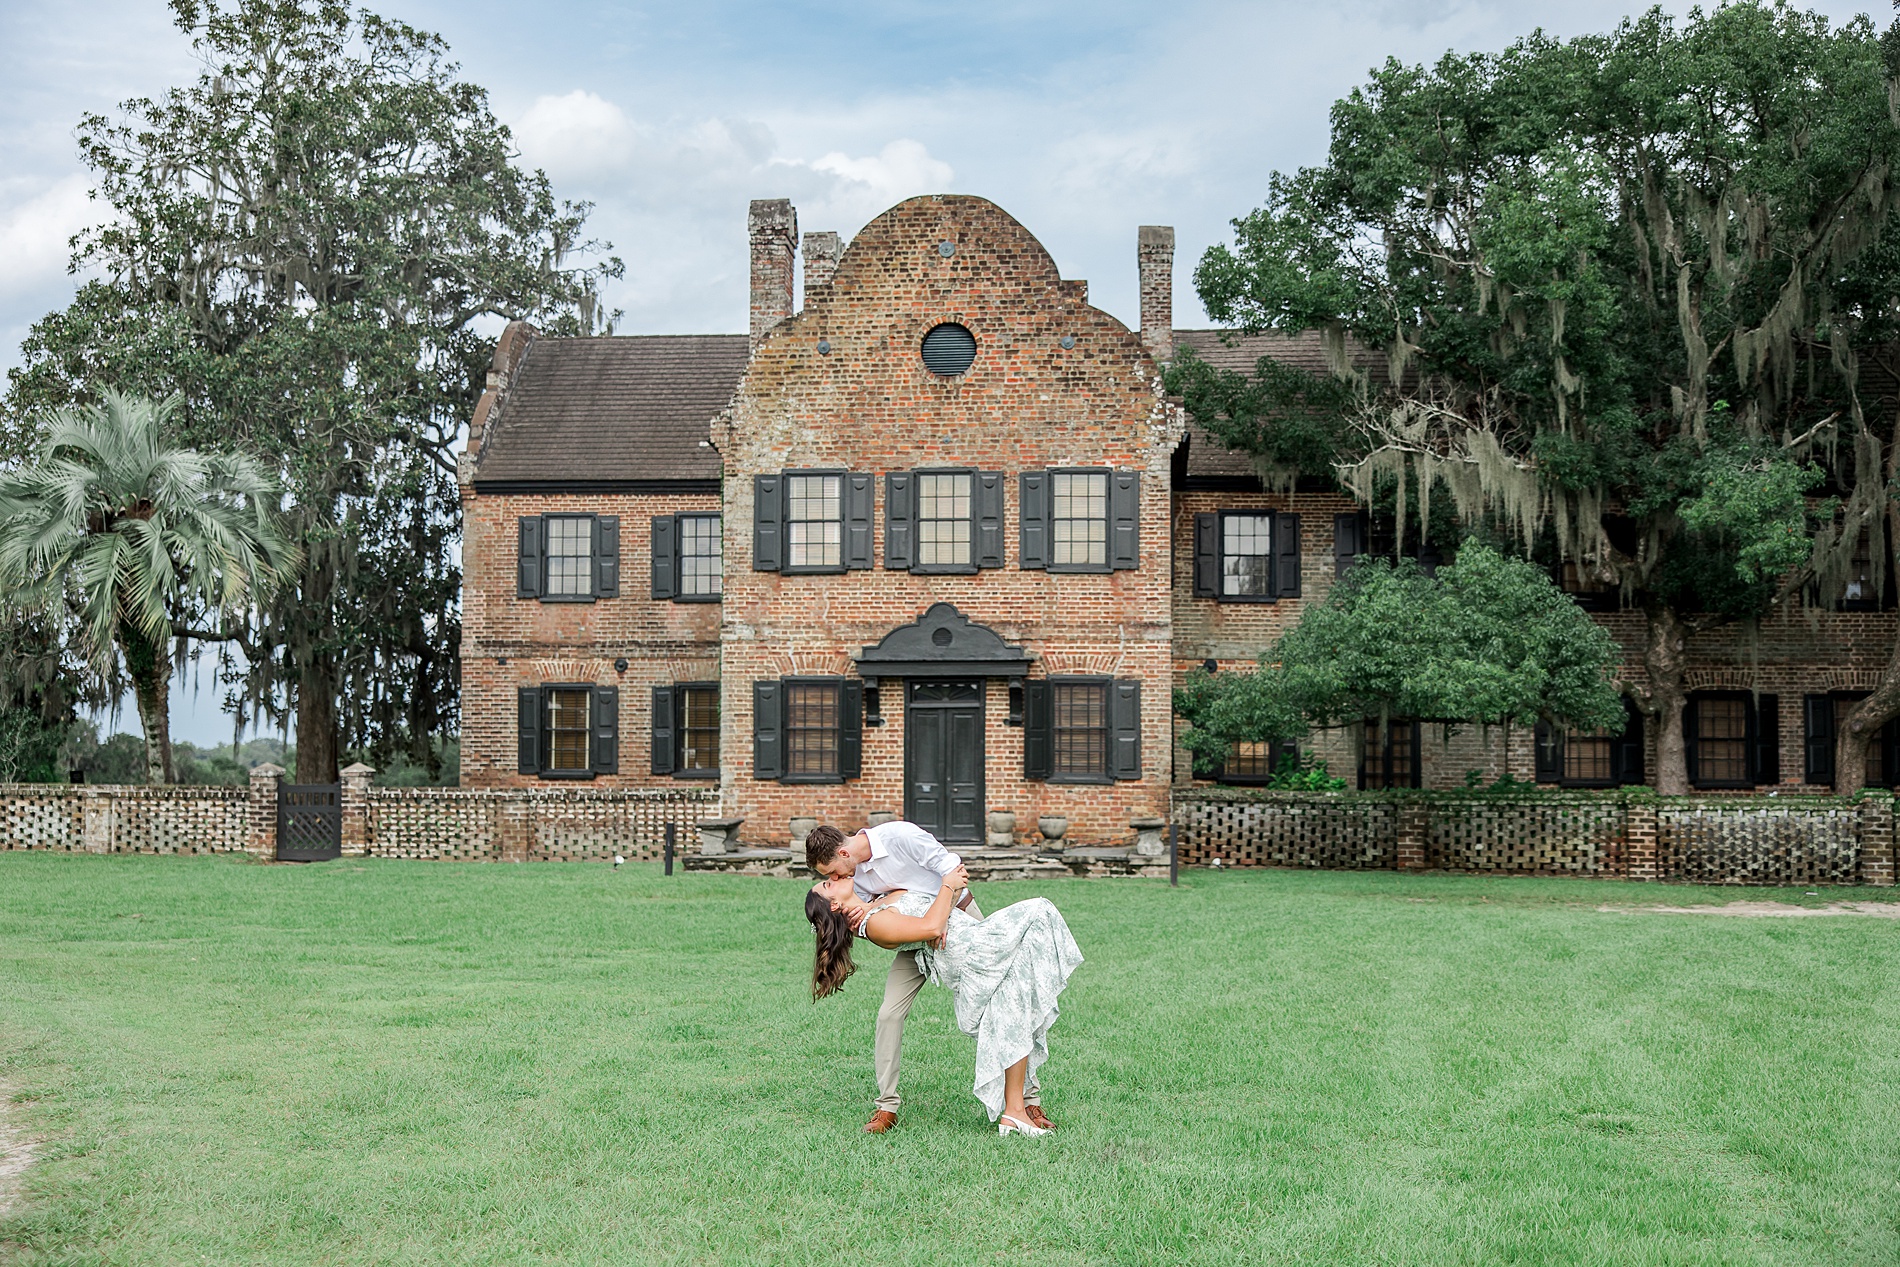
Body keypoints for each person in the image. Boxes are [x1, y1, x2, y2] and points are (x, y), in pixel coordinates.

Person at [806, 820, 1053, 1133]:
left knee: (1005, 1002)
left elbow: (955, 875)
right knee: (889, 1014)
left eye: (832, 873)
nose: (835, 878)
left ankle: (1028, 1103)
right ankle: (886, 1107)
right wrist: (878, 914)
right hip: (917, 940)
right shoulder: (853, 878)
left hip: (958, 918)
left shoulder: (900, 837)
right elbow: (879, 921)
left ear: (843, 853)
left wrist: (941, 917)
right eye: (829, 879)